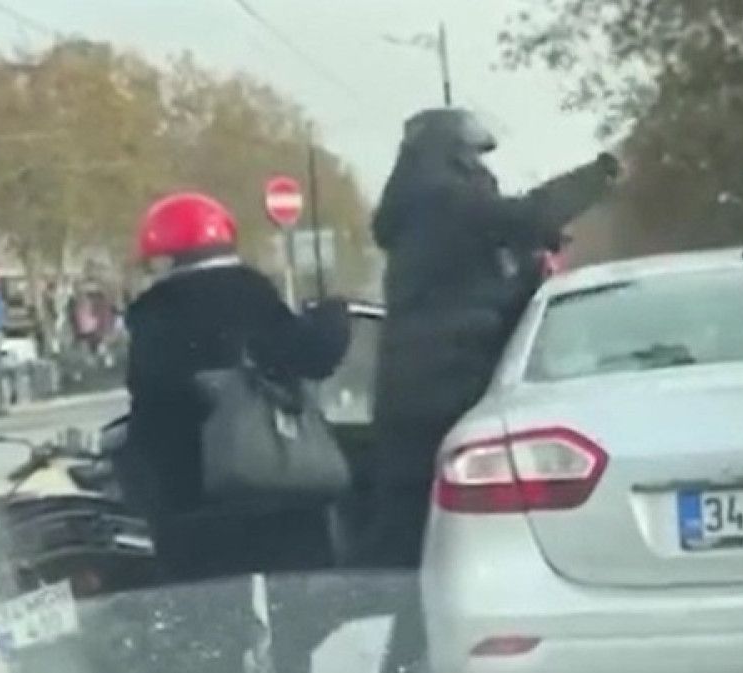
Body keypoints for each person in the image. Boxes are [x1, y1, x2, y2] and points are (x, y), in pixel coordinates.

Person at [361, 107, 620, 672]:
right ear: (454, 155)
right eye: (475, 158)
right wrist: (602, 173)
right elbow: (527, 216)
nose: (483, 171)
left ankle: (403, 655)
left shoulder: (421, 209)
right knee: (442, 545)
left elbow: (479, 276)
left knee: (412, 545)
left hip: (415, 396)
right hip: (449, 392)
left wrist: (528, 263)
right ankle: (410, 653)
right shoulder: (443, 199)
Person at [112, 191, 351, 673]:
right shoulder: (252, 296)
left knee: (210, 618)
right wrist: (332, 315)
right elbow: (314, 356)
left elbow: (150, 405)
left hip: (191, 494)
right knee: (295, 606)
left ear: (164, 256)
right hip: (271, 483)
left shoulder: (152, 316)